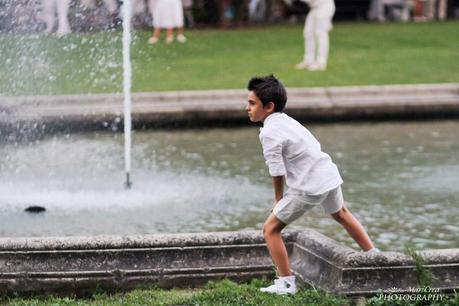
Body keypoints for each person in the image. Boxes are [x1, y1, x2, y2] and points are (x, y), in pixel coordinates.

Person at [245, 75, 379, 295]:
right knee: (341, 213)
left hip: (310, 186)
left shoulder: (269, 132)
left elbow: (276, 170)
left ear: (268, 107)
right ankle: (374, 255)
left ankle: (286, 284)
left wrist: (278, 199)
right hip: (327, 175)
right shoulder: (287, 120)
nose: (246, 107)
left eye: (252, 103)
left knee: (270, 230)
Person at [295, 0, 335, 71]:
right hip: (315, 8)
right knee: (308, 33)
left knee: (321, 34)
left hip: (324, 7)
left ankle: (321, 63)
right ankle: (308, 60)